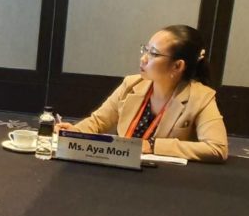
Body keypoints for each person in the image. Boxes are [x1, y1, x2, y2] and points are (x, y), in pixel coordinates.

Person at [63, 25, 228, 163]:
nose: (143, 59)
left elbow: (217, 148)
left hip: (166, 180)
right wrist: (74, 132)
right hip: (122, 170)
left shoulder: (201, 97)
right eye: (146, 50)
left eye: (154, 54)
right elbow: (98, 122)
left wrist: (153, 145)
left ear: (177, 66)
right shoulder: (131, 84)